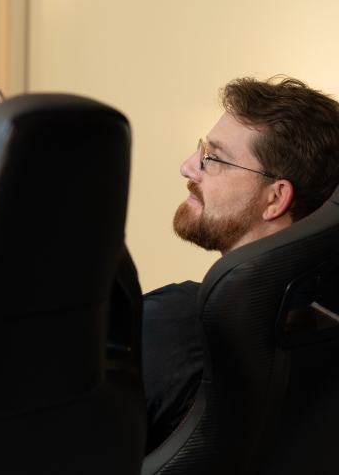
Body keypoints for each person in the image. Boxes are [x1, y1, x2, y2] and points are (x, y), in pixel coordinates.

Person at [142, 76, 339, 453]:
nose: (188, 167)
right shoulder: (319, 335)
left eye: (213, 158)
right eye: (200, 150)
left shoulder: (171, 330)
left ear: (276, 198)